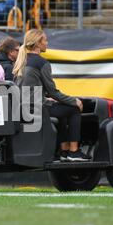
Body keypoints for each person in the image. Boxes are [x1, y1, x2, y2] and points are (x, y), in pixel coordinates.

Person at [13, 29, 90, 162]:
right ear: (37, 44)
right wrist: (74, 101)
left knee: (63, 109)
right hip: (36, 108)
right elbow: (53, 92)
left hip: (23, 108)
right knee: (73, 109)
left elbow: (28, 89)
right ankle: (74, 152)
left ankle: (64, 152)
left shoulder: (22, 61)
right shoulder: (41, 62)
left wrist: (44, 97)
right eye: (45, 40)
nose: (47, 43)